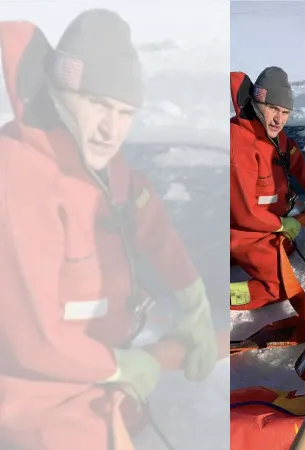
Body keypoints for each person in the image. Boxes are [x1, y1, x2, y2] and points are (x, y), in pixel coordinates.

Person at [0, 9, 218, 448]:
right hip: (39, 409)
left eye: (124, 112)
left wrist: (194, 300)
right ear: (60, 93)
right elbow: (35, 343)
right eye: (98, 104)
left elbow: (152, 226)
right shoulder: (19, 180)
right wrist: (122, 367)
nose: (110, 129)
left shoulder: (102, 168)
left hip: (100, 376)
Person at [230, 66, 305, 310]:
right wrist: (282, 224)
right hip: (242, 230)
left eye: (285, 112)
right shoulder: (239, 145)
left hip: (267, 224)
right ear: (255, 102)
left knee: (289, 249)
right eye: (273, 108)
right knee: (279, 286)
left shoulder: (274, 136)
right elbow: (244, 214)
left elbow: (294, 158)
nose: (279, 119)